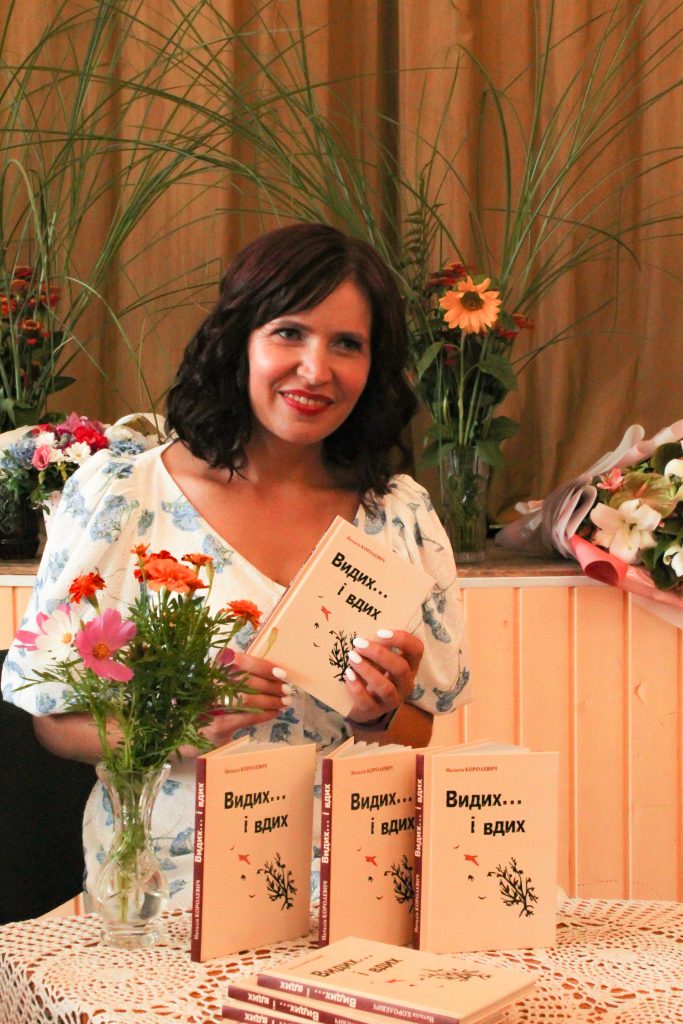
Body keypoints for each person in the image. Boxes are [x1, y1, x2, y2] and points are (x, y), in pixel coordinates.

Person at [1, 222, 470, 907]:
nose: (316, 369)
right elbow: (52, 722)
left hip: (352, 887)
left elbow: (418, 727)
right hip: (167, 895)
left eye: (347, 343)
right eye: (289, 333)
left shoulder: (399, 516)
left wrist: (377, 714)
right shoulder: (123, 496)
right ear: (239, 340)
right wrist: (176, 727)